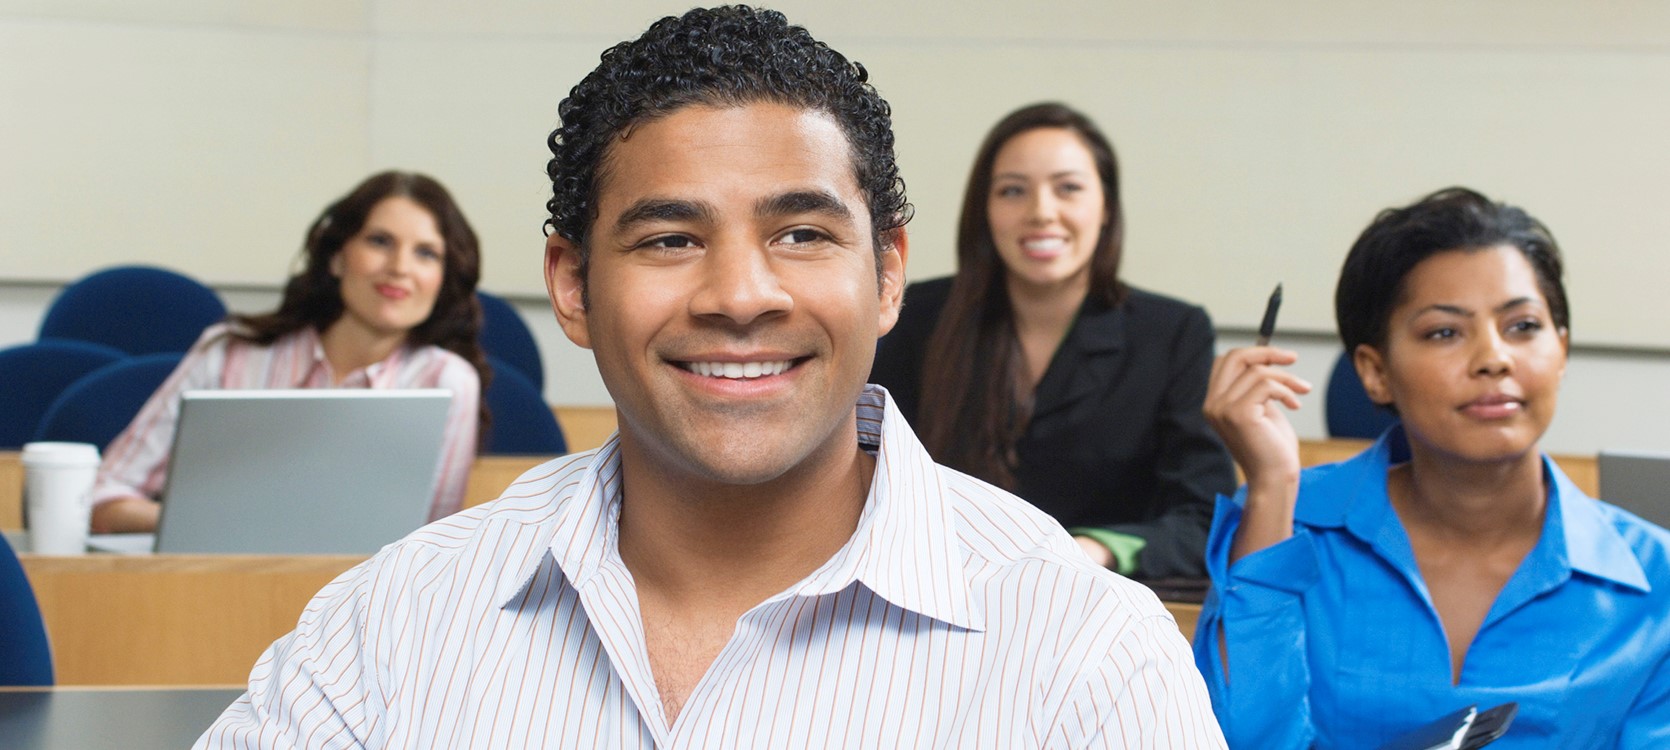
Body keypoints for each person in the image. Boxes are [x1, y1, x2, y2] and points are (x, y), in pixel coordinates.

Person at [198, 7, 1223, 747]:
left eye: (802, 231)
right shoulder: (390, 625)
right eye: (668, 238)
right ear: (569, 284)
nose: (740, 293)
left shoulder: (1082, 650)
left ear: (887, 274)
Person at [1195, 187, 1670, 747]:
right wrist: (1272, 486)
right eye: (1444, 332)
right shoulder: (1284, 522)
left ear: (1561, 351)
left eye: (1522, 327)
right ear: (1374, 372)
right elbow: (1236, 738)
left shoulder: (1655, 580)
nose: (1494, 358)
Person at [869, 102, 1235, 578]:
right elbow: (872, 474)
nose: (1041, 212)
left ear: (1105, 207)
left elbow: (1204, 520)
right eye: (1013, 191)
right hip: (939, 587)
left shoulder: (1171, 333)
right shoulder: (921, 314)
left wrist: (1094, 550)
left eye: (1069, 189)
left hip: (1099, 604)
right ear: (985, 210)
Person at [90, 171, 487, 533]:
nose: (400, 267)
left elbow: (437, 545)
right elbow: (103, 496)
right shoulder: (229, 353)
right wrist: (210, 527)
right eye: (380, 241)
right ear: (336, 257)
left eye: (426, 253)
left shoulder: (449, 382)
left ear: (443, 278)